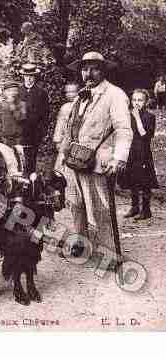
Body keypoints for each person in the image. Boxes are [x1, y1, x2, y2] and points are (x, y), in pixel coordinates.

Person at [57, 51, 132, 262]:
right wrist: (61, 160)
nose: (88, 73)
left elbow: (124, 129)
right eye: (84, 69)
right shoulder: (81, 95)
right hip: (73, 161)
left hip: (99, 162)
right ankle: (81, 247)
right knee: (75, 205)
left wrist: (119, 158)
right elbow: (70, 129)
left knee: (100, 209)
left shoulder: (115, 94)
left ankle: (109, 256)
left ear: (103, 70)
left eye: (94, 68)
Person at [118, 89, 158, 220]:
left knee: (144, 181)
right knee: (132, 179)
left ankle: (146, 210)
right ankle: (134, 207)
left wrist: (136, 117)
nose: (136, 103)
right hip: (131, 151)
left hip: (143, 152)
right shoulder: (127, 116)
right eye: (134, 100)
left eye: (140, 100)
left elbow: (145, 135)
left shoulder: (149, 117)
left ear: (146, 102)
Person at [19, 63, 50, 172]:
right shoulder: (17, 92)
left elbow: (45, 115)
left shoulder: (42, 93)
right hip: (19, 133)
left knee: (31, 160)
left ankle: (31, 183)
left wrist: (41, 132)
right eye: (27, 76)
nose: (29, 79)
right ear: (23, 76)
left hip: (34, 133)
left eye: (31, 76)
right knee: (19, 158)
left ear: (35, 77)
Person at [0, 80, 27, 146]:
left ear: (18, 92)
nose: (12, 93)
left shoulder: (22, 104)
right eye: (9, 91)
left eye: (15, 90)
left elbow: (21, 119)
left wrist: (13, 106)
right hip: (4, 139)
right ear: (4, 92)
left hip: (18, 139)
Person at [53, 82, 80, 169]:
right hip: (65, 140)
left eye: (73, 92)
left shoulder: (83, 105)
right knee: (62, 164)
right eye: (67, 92)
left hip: (79, 140)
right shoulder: (64, 107)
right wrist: (57, 140)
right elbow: (60, 124)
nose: (70, 94)